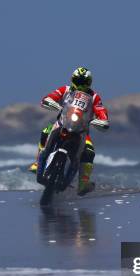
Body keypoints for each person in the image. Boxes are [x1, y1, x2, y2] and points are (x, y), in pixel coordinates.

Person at [29, 67, 109, 196]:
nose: (81, 84)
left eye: (84, 82)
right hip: (62, 124)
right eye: (78, 80)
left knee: (89, 151)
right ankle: (38, 162)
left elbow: (101, 111)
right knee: (45, 131)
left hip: (81, 131)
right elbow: (50, 97)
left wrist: (102, 120)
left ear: (89, 82)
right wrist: (50, 102)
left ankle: (83, 183)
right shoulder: (65, 90)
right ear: (73, 80)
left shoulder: (94, 97)